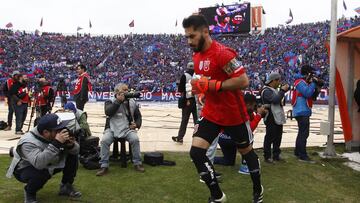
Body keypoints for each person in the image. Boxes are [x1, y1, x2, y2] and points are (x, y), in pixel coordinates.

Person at [183, 15, 263, 203]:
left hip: (234, 114)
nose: (189, 41)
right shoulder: (197, 56)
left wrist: (212, 86)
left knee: (246, 152)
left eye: (192, 36)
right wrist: (202, 92)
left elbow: (243, 81)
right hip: (212, 113)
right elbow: (205, 83)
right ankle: (217, 196)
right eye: (186, 37)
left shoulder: (222, 53)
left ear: (205, 32)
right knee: (196, 152)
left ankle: (257, 188)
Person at [6, 114, 82, 203]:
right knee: (41, 173)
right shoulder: (28, 142)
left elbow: (76, 151)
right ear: (46, 132)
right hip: (24, 168)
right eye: (57, 130)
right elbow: (39, 163)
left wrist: (71, 145)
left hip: (49, 162)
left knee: (72, 155)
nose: (61, 131)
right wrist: (56, 143)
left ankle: (66, 186)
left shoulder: (53, 135)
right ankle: (29, 194)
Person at [210, 94, 267, 174]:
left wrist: (255, 114)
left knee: (228, 161)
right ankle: (245, 166)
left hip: (224, 138)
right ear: (248, 104)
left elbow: (250, 121)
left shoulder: (242, 109)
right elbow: (249, 129)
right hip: (229, 139)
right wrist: (259, 115)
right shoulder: (239, 111)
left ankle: (207, 159)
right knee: (248, 137)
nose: (254, 108)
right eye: (253, 106)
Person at [96, 83, 144, 176]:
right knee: (104, 141)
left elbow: (138, 116)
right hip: (111, 129)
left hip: (127, 129)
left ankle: (137, 163)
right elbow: (108, 112)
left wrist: (136, 124)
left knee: (135, 139)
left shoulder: (132, 101)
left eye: (127, 90)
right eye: (125, 90)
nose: (127, 92)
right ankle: (104, 165)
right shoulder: (109, 101)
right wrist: (118, 101)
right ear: (117, 92)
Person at [260, 72, 289, 163]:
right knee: (270, 137)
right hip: (271, 116)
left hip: (276, 116)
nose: (279, 83)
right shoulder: (267, 90)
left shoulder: (273, 89)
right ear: (273, 80)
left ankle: (276, 155)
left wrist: (282, 92)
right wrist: (282, 91)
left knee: (278, 137)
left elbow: (279, 100)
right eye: (278, 80)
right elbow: (275, 100)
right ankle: (267, 156)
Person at [292, 65, 317, 163]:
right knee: (304, 134)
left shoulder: (303, 82)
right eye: (312, 73)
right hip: (302, 111)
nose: (313, 76)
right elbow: (307, 93)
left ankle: (298, 152)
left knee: (302, 133)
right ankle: (303, 155)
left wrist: (316, 87)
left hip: (302, 111)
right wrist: (314, 83)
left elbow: (312, 96)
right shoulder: (300, 82)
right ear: (308, 73)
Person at [172, 62, 198, 144]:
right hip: (197, 100)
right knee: (197, 121)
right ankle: (198, 138)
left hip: (188, 100)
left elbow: (180, 89)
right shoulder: (198, 75)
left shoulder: (185, 76)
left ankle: (180, 137)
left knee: (184, 120)